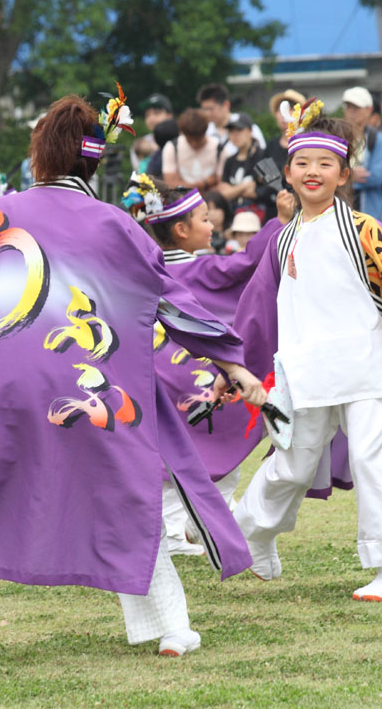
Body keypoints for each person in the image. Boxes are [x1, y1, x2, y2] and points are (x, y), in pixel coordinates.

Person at [0, 90, 266, 670]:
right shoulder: (118, 225)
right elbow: (173, 303)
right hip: (84, 377)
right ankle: (170, 627)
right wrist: (234, 365)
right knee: (127, 488)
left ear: (39, 155)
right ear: (94, 161)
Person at [231, 99, 382, 601]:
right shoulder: (282, 239)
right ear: (290, 173)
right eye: (303, 163)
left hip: (366, 367)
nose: (313, 172)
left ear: (344, 174)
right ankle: (252, 535)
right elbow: (259, 306)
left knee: (370, 459)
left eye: (325, 165)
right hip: (306, 370)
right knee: (293, 463)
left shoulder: (361, 227)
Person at [123, 175, 286, 555]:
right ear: (181, 230)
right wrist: (278, 221)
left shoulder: (143, 272)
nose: (213, 225)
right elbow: (248, 264)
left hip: (159, 380)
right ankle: (193, 522)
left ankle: (179, 525)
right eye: (204, 219)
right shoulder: (201, 271)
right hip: (202, 379)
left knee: (169, 457)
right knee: (222, 447)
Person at [343, 87, 382, 220]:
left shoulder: (377, 138)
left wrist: (344, 177)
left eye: (356, 107)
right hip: (341, 211)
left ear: (369, 109)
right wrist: (351, 175)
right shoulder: (336, 137)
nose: (351, 112)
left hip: (369, 212)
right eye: (348, 106)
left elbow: (377, 177)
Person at [215, 112, 266, 213]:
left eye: (239, 130)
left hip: (258, 213)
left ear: (250, 131)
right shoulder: (229, 161)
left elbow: (271, 189)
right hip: (233, 213)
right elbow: (223, 193)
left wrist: (232, 191)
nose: (235, 135)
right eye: (231, 131)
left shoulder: (263, 156)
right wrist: (244, 187)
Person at [162, 108, 221, 192]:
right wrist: (206, 183)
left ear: (205, 132)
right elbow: (170, 184)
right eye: (189, 139)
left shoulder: (219, 148)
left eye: (198, 139)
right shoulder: (172, 147)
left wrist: (181, 184)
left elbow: (221, 184)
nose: (194, 144)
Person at [199, 82, 264, 157]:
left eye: (211, 109)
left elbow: (262, 157)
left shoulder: (247, 126)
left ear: (226, 105)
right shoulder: (204, 132)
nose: (207, 114)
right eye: (204, 109)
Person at [133, 94, 174, 171]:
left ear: (169, 116)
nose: (151, 118)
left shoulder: (182, 141)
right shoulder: (139, 145)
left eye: (157, 113)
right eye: (147, 115)